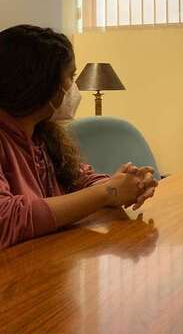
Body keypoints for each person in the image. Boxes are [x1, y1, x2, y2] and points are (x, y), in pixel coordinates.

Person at [0, 25, 158, 249]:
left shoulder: (43, 135)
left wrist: (128, 185)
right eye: (70, 76)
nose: (73, 88)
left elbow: (83, 181)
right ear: (39, 83)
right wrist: (108, 192)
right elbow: (7, 219)